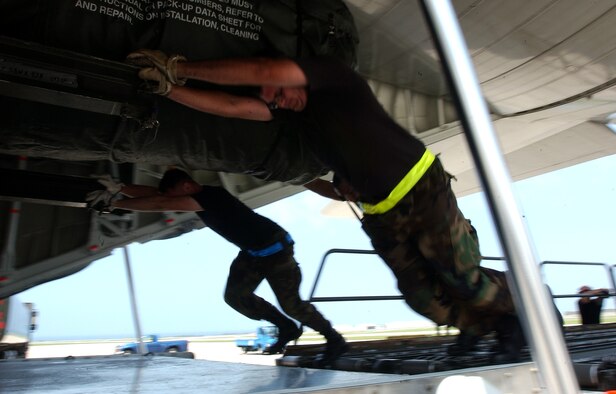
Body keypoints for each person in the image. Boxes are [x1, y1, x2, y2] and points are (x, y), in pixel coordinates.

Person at [125, 50, 524, 362]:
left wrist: (181, 69)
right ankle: (477, 326)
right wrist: (168, 89)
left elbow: (265, 71)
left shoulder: (335, 79)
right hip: (382, 214)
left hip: (422, 188)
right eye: (272, 100)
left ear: (294, 73)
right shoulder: (298, 119)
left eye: (280, 90)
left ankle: (516, 309)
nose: (278, 99)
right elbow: (234, 107)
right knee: (420, 297)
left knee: (460, 276)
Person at [86, 170, 348, 364]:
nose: (172, 199)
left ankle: (334, 339)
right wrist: (119, 187)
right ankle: (287, 328)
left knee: (292, 304)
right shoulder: (195, 195)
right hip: (253, 253)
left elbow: (159, 203)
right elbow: (158, 195)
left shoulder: (211, 196)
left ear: (188, 186)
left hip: (276, 250)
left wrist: (114, 203)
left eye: (175, 193)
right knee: (235, 297)